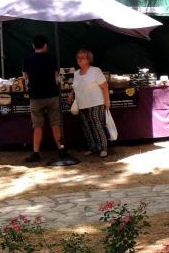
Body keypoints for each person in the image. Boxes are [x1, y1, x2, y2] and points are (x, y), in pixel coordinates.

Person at [22, 34, 67, 163]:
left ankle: (36, 153)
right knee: (56, 124)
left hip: (36, 96)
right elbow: (56, 76)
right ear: (46, 45)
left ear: (33, 45)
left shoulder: (27, 60)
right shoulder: (52, 58)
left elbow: (25, 77)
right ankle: (61, 150)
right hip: (52, 95)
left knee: (37, 126)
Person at [71, 48, 111, 157]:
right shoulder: (76, 73)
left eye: (82, 58)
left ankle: (103, 148)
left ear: (88, 59)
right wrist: (71, 94)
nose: (79, 60)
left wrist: (107, 100)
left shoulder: (95, 71)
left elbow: (105, 86)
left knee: (97, 125)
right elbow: (75, 87)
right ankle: (93, 147)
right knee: (86, 127)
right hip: (82, 104)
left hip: (96, 103)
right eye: (78, 58)